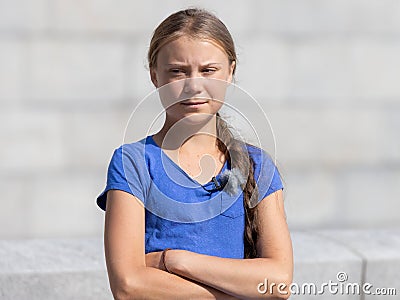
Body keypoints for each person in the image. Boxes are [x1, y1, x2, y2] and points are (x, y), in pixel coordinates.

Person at [97, 8, 293, 299]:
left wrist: (175, 260)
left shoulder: (257, 165)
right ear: (155, 77)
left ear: (230, 72)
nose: (193, 85)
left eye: (208, 70)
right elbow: (129, 287)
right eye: (177, 71)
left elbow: (278, 282)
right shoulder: (133, 163)